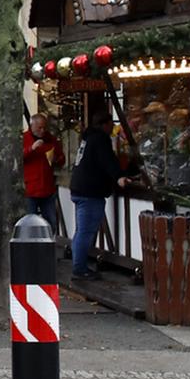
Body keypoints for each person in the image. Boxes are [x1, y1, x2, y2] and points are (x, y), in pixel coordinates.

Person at [69, 108, 132, 280]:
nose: (112, 128)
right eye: (111, 124)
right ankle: (79, 269)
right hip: (90, 191)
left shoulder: (88, 138)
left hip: (80, 188)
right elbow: (107, 160)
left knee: (81, 231)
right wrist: (119, 176)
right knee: (85, 231)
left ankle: (79, 265)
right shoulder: (100, 139)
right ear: (104, 124)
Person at [22, 113, 65, 234]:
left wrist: (57, 159)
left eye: (44, 127)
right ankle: (31, 243)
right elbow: (18, 158)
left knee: (51, 222)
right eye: (39, 128)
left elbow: (61, 158)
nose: (42, 131)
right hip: (30, 188)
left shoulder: (51, 139)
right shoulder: (24, 138)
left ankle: (49, 242)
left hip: (47, 188)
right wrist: (31, 149)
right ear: (32, 126)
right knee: (30, 223)